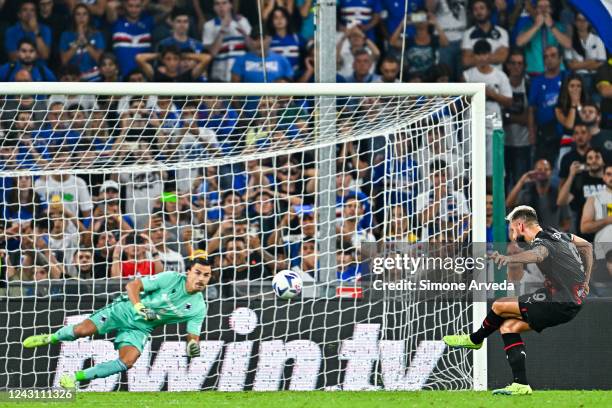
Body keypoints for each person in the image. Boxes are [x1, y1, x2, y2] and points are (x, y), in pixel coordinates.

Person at [444, 205, 592, 395]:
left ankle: (475, 339)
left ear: (521, 225)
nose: (511, 232)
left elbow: (538, 255)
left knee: (499, 305)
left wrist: (510, 259)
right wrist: (585, 281)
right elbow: (587, 246)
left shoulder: (542, 242)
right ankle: (520, 384)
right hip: (566, 299)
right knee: (508, 327)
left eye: (512, 228)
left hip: (559, 301)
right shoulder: (558, 234)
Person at [22, 251, 212, 389]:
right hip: (123, 310)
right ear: (188, 271)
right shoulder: (171, 278)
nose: (201, 278)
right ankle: (51, 338)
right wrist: (140, 307)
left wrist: (192, 346)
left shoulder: (199, 307)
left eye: (206, 275)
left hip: (140, 328)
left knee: (128, 360)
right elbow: (132, 285)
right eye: (197, 272)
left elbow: (193, 335)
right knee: (81, 331)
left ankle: (75, 377)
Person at [462, 39, 512, 177]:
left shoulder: (500, 76)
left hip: (493, 126)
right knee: (472, 172)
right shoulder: (468, 75)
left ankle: (491, 199)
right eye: (479, 54)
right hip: (471, 127)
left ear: (490, 55)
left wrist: (492, 94)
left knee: (493, 172)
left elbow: (509, 101)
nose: (482, 58)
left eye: (485, 54)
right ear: (474, 56)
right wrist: (476, 93)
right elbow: (461, 102)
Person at [506, 159, 569, 230]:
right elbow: (509, 204)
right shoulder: (526, 194)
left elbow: (566, 222)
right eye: (539, 169)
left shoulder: (559, 195)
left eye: (546, 169)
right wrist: (521, 181)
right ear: (534, 172)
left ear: (551, 173)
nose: (542, 172)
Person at [528, 45, 564, 166]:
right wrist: (532, 134)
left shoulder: (567, 77)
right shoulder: (537, 81)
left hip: (565, 131)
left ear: (560, 58)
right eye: (546, 57)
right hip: (544, 133)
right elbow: (531, 109)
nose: (549, 59)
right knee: (543, 169)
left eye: (553, 56)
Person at [556, 148, 605, 236]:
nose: (594, 160)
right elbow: (561, 201)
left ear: (603, 161)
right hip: (585, 233)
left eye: (597, 157)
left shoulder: (609, 181)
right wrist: (571, 175)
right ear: (586, 163)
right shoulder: (580, 181)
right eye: (590, 158)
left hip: (606, 231)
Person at [515, 0, 570, 76]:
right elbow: (519, 43)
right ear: (536, 10)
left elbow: (568, 44)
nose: (543, 9)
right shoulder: (528, 26)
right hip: (535, 73)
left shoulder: (558, 26)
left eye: (546, 7)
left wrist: (551, 26)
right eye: (540, 7)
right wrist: (536, 26)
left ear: (551, 10)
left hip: (557, 73)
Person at [202, 0, 251, 82]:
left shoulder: (242, 21)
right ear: (214, 7)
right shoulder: (208, 26)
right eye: (217, 4)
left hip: (242, 73)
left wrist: (245, 35)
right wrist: (222, 29)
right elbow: (213, 53)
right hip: (219, 76)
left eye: (224, 3)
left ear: (230, 5)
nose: (221, 7)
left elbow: (252, 48)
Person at [503, 49, 531, 189]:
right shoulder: (502, 84)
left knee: (522, 185)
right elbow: (499, 117)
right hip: (504, 143)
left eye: (520, 63)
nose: (516, 67)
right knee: (504, 183)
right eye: (513, 63)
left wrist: (508, 117)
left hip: (523, 143)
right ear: (507, 65)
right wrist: (516, 118)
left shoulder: (528, 85)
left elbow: (528, 118)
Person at [59, 4, 105, 81]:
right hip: (73, 79)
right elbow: (64, 60)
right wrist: (78, 42)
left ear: (89, 17)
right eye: (78, 14)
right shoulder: (66, 35)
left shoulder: (97, 35)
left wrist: (85, 43)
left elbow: (99, 60)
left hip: (94, 77)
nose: (81, 17)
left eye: (84, 14)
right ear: (74, 17)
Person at [109, 0, 154, 77]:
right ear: (125, 6)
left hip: (143, 77)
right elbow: (111, 6)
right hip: (122, 76)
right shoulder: (117, 22)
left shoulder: (148, 21)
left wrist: (145, 4)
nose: (134, 10)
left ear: (142, 7)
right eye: (130, 6)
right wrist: (123, 3)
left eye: (137, 6)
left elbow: (167, 10)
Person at [565, 12, 606, 95]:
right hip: (578, 77)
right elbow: (571, 65)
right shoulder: (570, 41)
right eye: (579, 20)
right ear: (575, 22)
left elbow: (601, 63)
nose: (582, 23)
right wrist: (591, 62)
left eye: (585, 20)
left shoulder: (597, 39)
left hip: (596, 76)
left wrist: (579, 64)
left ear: (589, 22)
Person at [461, 0, 508, 70]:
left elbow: (502, 58)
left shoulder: (502, 32)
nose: (479, 12)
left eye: (482, 8)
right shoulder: (467, 34)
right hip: (475, 78)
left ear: (488, 11)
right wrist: (493, 55)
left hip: (496, 78)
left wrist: (475, 57)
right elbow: (466, 61)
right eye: (475, 9)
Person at [580, 164, 612, 260]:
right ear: (604, 177)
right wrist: (608, 220)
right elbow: (584, 227)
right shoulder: (594, 198)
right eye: (609, 174)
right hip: (603, 251)